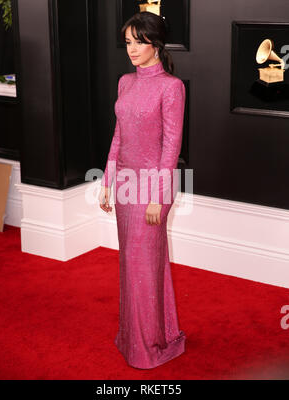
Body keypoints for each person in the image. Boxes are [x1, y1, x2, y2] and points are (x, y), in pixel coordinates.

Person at [99, 11, 186, 369]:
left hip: (153, 187)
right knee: (131, 266)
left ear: (156, 43)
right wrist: (107, 179)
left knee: (142, 267)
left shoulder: (171, 87)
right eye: (129, 42)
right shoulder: (124, 82)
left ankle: (149, 345)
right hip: (124, 186)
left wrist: (158, 195)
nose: (132, 49)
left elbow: (171, 145)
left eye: (140, 41)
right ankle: (133, 337)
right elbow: (119, 134)